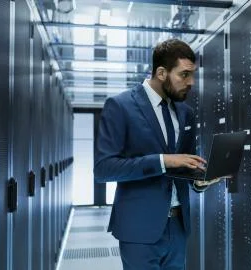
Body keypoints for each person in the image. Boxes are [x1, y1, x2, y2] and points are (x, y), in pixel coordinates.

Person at [94, 38, 221, 270]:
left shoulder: (185, 113)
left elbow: (185, 166)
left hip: (178, 227)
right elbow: (104, 169)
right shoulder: (120, 106)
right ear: (161, 72)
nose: (191, 82)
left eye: (192, 75)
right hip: (139, 229)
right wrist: (163, 161)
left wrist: (200, 181)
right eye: (184, 75)